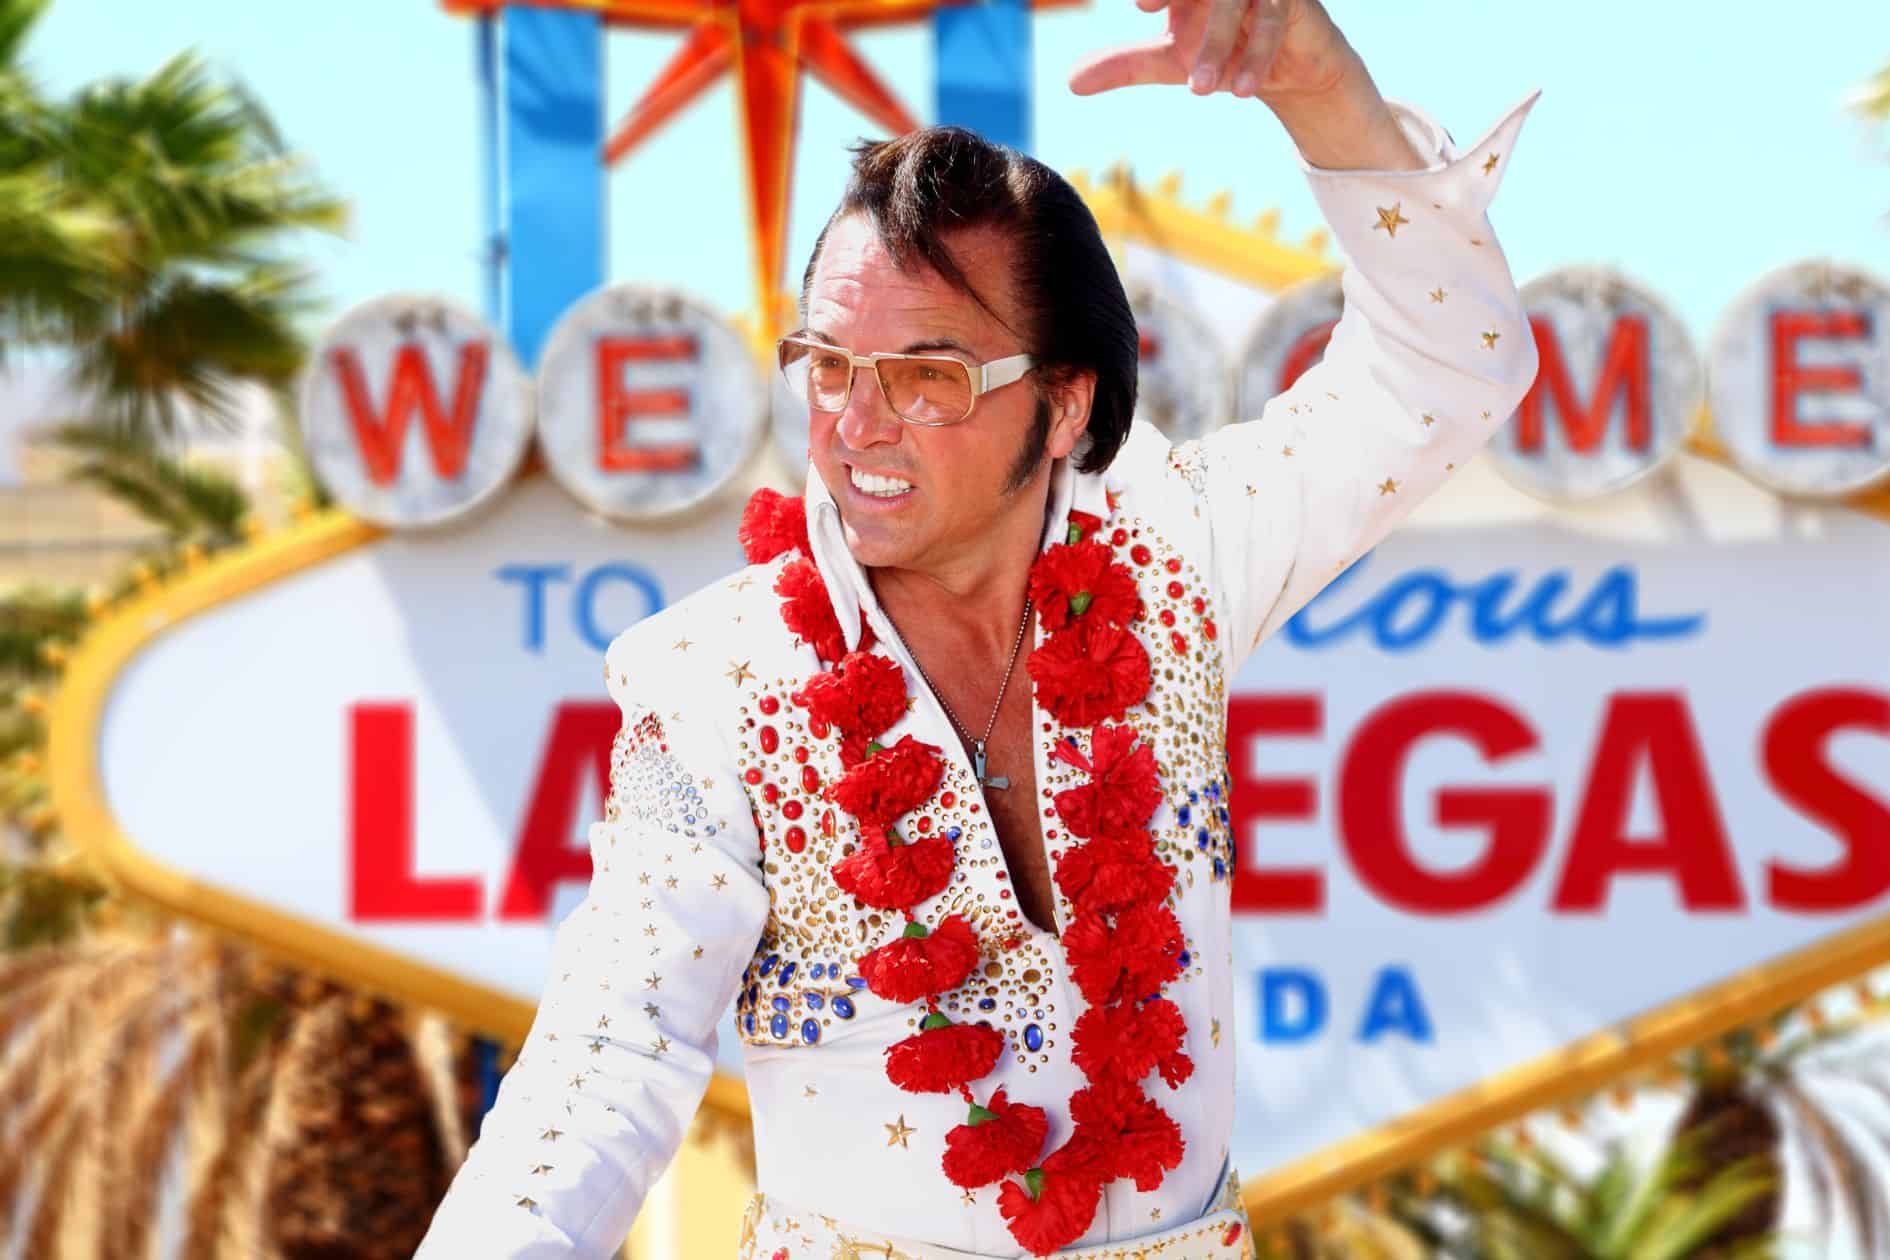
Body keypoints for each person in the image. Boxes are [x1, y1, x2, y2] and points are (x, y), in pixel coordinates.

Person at [419, 0, 1539, 1254]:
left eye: (929, 376)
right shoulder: (709, 686)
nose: (856, 423)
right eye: (829, 365)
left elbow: (1448, 368)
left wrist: (1319, 92)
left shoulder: (1180, 556)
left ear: (1064, 407)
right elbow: (611, 1050)